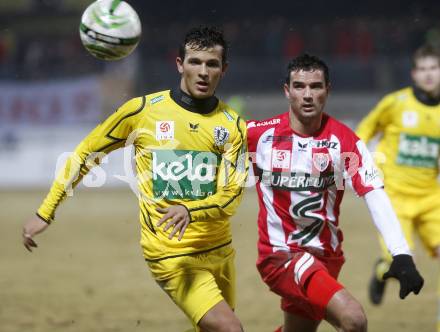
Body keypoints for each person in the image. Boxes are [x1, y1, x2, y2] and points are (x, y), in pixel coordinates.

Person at [22, 26, 248, 332]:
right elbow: (84, 154)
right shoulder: (142, 112)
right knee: (230, 329)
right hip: (172, 255)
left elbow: (232, 195)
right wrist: (45, 211)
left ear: (224, 70)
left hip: (221, 250)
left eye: (212, 64)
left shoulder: (232, 125)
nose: (203, 72)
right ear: (179, 64)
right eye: (195, 62)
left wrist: (191, 210)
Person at [246, 54, 424, 332]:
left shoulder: (344, 141)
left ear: (328, 90)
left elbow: (374, 192)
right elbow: (207, 144)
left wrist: (401, 254)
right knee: (353, 319)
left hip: (326, 258)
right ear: (286, 90)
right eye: (299, 86)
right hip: (281, 255)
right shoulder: (258, 135)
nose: (307, 95)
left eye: (315, 86)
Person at [356, 45, 440, 328]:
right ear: (414, 74)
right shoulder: (396, 103)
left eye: (434, 68)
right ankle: (380, 273)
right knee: (401, 262)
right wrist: (360, 164)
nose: (429, 75)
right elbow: (363, 132)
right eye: (423, 69)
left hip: (432, 198)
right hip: (394, 198)